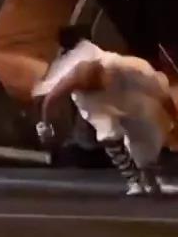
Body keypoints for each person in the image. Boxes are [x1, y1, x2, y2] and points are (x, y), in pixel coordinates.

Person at [34, 31, 178, 196]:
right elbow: (50, 100)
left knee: (144, 131)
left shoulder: (133, 68)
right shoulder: (74, 80)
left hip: (122, 91)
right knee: (108, 133)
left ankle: (150, 178)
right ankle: (134, 180)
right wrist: (45, 126)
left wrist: (174, 119)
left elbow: (162, 94)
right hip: (92, 100)